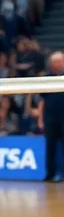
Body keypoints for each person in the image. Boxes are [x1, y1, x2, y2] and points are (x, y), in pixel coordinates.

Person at [38, 50, 64, 182]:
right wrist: (40, 119)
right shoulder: (46, 79)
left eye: (59, 61)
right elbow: (42, 101)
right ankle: (50, 173)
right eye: (54, 62)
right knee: (50, 147)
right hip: (51, 118)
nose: (57, 64)